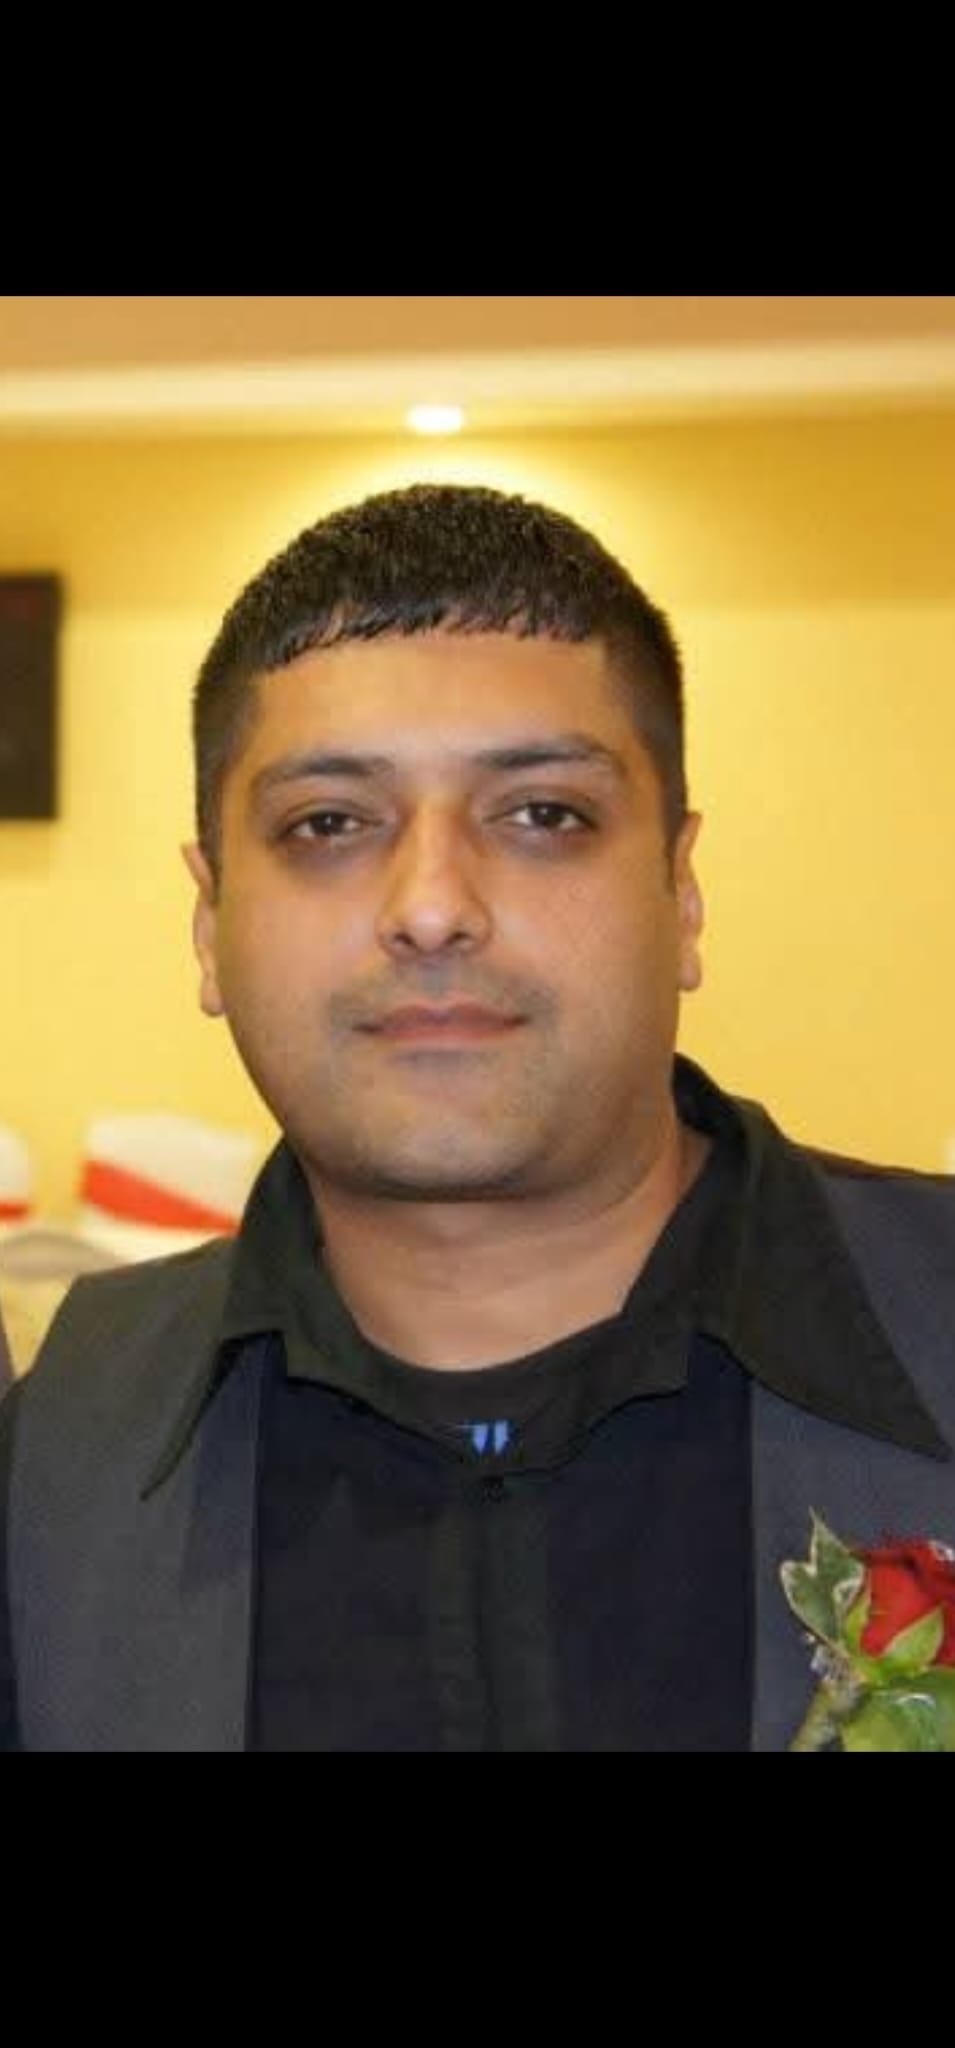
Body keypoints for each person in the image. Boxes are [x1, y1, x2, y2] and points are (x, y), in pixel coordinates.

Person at [2, 482, 953, 1752]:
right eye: (328, 823)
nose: (433, 905)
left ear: (680, 889)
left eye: (542, 813)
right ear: (208, 920)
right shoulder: (62, 1441)